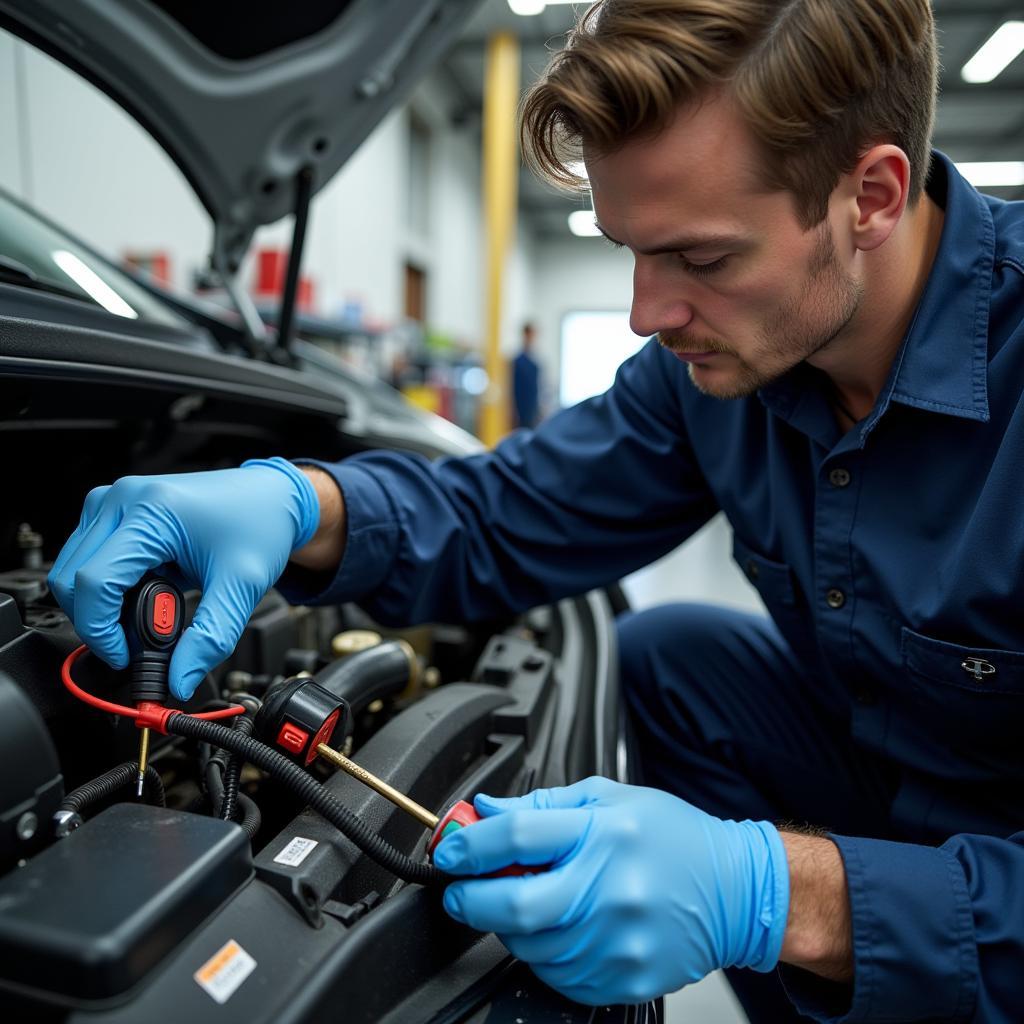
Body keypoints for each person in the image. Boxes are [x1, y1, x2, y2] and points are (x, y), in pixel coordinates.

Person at [47, 1, 1024, 1020]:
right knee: (667, 654)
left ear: (869, 195)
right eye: (628, 252)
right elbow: (508, 510)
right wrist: (303, 503)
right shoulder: (712, 372)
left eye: (700, 259)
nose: (649, 314)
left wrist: (792, 897)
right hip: (898, 788)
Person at [511, 322, 542, 428]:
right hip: (521, 408)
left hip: (533, 407)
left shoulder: (534, 359)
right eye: (529, 334)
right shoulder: (518, 361)